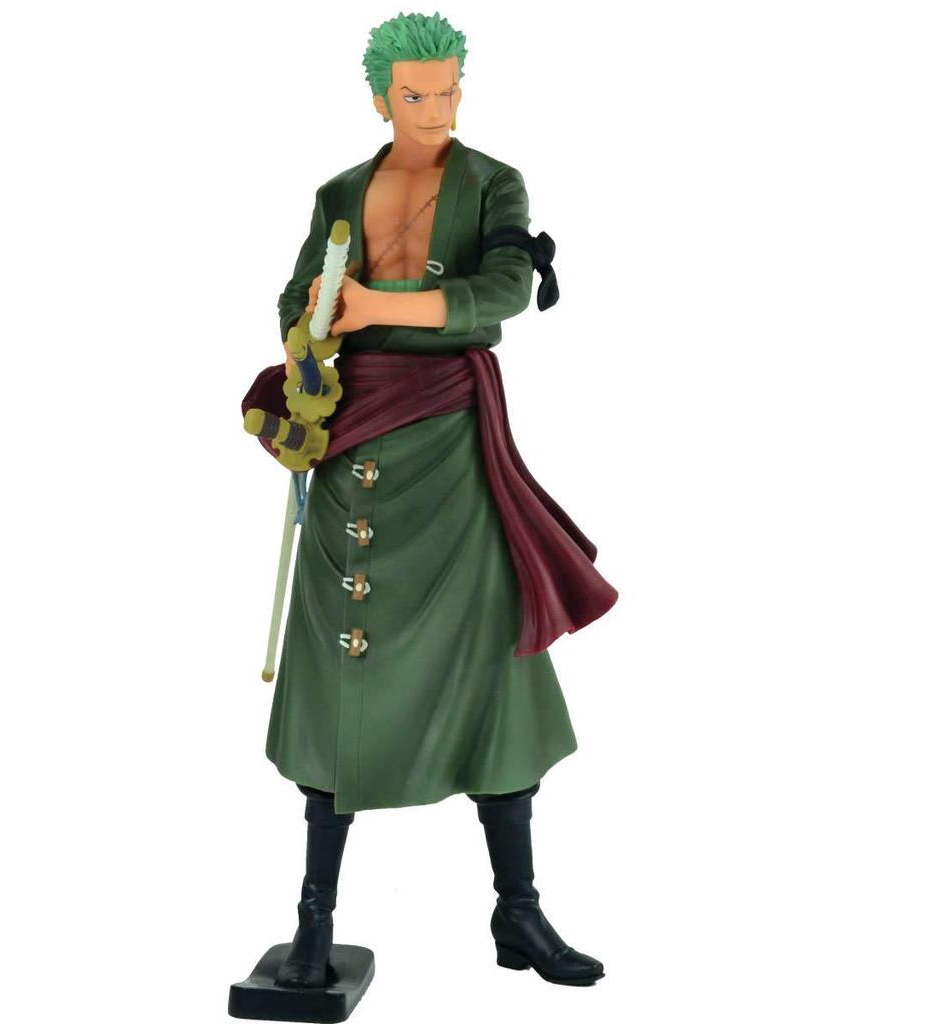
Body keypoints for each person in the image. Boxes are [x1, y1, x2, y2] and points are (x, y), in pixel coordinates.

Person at [242, 12, 617, 991]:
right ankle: (313, 920)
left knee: (494, 668)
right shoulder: (339, 193)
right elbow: (294, 298)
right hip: (354, 438)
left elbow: (503, 290)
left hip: (451, 446)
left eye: (449, 90)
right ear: (380, 97)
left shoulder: (494, 182)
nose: (436, 109)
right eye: (416, 94)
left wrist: (378, 307)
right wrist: (308, 335)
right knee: (339, 672)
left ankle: (518, 909)